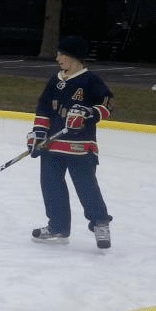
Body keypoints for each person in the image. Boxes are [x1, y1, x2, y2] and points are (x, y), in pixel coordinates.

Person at [27, 35, 113, 249]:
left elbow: (107, 106)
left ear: (72, 56)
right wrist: (38, 132)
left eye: (61, 54)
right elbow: (44, 108)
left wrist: (88, 112)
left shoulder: (90, 80)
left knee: (86, 187)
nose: (57, 58)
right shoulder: (55, 80)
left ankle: (100, 222)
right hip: (52, 145)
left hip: (80, 148)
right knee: (51, 186)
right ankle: (58, 226)